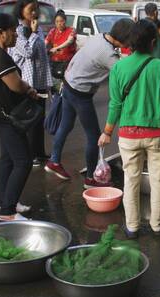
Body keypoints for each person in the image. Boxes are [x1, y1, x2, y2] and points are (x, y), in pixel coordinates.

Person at [98, 20, 160, 239]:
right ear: (153, 42)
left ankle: (132, 228)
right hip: (158, 136)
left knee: (131, 181)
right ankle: (157, 227)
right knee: (158, 182)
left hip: (129, 136)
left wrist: (107, 131)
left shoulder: (119, 67)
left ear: (129, 43)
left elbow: (115, 104)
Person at [44, 19, 134, 188]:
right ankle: (91, 179)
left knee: (66, 125)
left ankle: (54, 160)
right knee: (94, 137)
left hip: (69, 83)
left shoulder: (100, 37)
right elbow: (124, 73)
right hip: (80, 93)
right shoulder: (108, 54)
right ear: (125, 37)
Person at [0, 13, 39, 221]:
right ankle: (8, 212)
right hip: (8, 118)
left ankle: (8, 201)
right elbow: (15, 84)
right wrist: (28, 89)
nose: (16, 35)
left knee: (8, 160)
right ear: (1, 33)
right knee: (23, 160)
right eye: (13, 31)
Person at [9, 0, 52, 167]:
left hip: (40, 80)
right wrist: (33, 33)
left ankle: (39, 153)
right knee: (30, 120)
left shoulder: (38, 28)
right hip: (27, 81)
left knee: (39, 118)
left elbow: (42, 52)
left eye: (36, 9)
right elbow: (27, 52)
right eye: (31, 9)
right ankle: (30, 155)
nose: (35, 13)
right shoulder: (17, 30)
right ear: (21, 11)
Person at [44, 10, 76, 82]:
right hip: (55, 62)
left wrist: (57, 48)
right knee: (55, 82)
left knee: (67, 81)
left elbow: (69, 41)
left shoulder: (71, 30)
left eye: (61, 21)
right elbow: (45, 42)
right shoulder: (53, 31)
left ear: (65, 21)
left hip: (68, 62)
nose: (59, 23)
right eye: (57, 21)